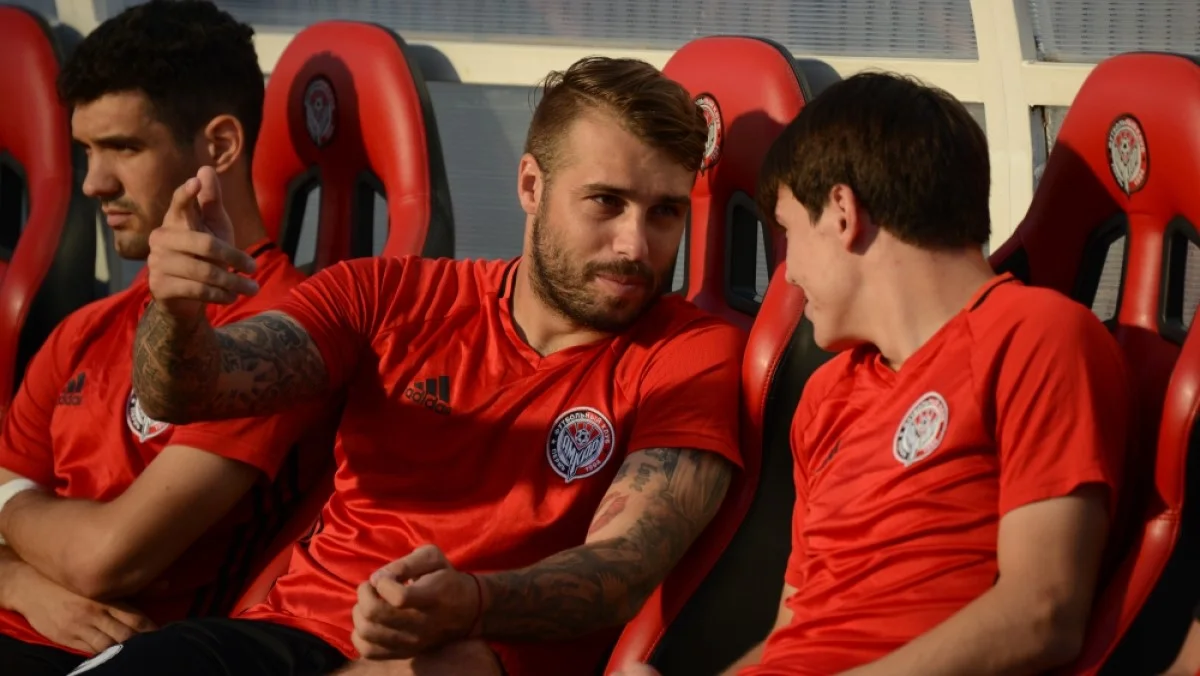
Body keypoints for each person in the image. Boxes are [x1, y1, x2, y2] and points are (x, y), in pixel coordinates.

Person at [75, 55, 745, 676]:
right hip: (287, 638)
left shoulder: (690, 353)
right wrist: (175, 310)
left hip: (464, 659)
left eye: (664, 213)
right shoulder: (387, 295)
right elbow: (188, 392)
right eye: (606, 202)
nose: (635, 246)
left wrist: (470, 603)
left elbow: (624, 567)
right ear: (531, 185)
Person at [621, 72, 1132, 676]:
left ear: (843, 213)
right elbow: (794, 634)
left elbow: (1041, 613)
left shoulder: (1035, 336)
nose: (788, 273)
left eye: (788, 232)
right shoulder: (827, 395)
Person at [0, 2, 336, 674]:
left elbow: (108, 560)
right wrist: (17, 583)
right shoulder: (84, 329)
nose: (93, 183)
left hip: (112, 655)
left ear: (220, 147)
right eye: (86, 150)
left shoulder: (278, 340)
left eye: (124, 148)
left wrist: (7, 504)